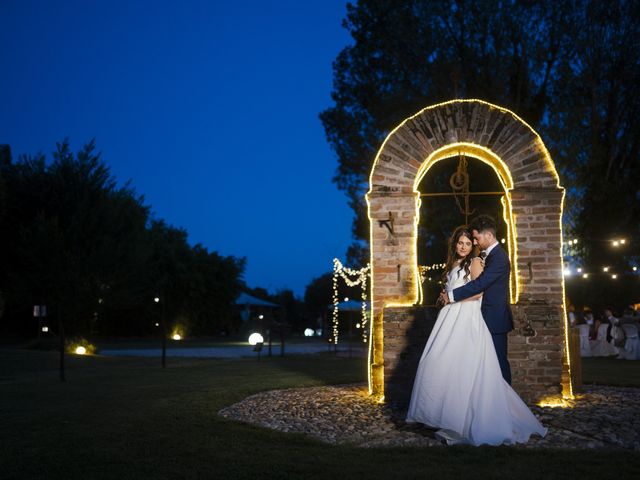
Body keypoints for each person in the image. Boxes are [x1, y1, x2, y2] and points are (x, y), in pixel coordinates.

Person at [406, 225, 547, 446]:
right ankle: (447, 417)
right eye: (460, 243)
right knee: (441, 363)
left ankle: (486, 416)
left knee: (468, 366)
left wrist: (451, 298)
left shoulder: (475, 262)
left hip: (467, 316)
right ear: (455, 245)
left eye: (468, 243)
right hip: (449, 318)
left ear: (473, 245)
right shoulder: (453, 264)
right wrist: (445, 297)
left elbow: (479, 291)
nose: (463, 246)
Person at [440, 214, 513, 384]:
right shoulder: (490, 255)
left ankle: (505, 405)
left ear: (488, 235)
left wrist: (451, 296)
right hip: (482, 316)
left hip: (494, 318)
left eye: (476, 238)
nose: (474, 242)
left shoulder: (499, 257)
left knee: (499, 364)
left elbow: (480, 284)